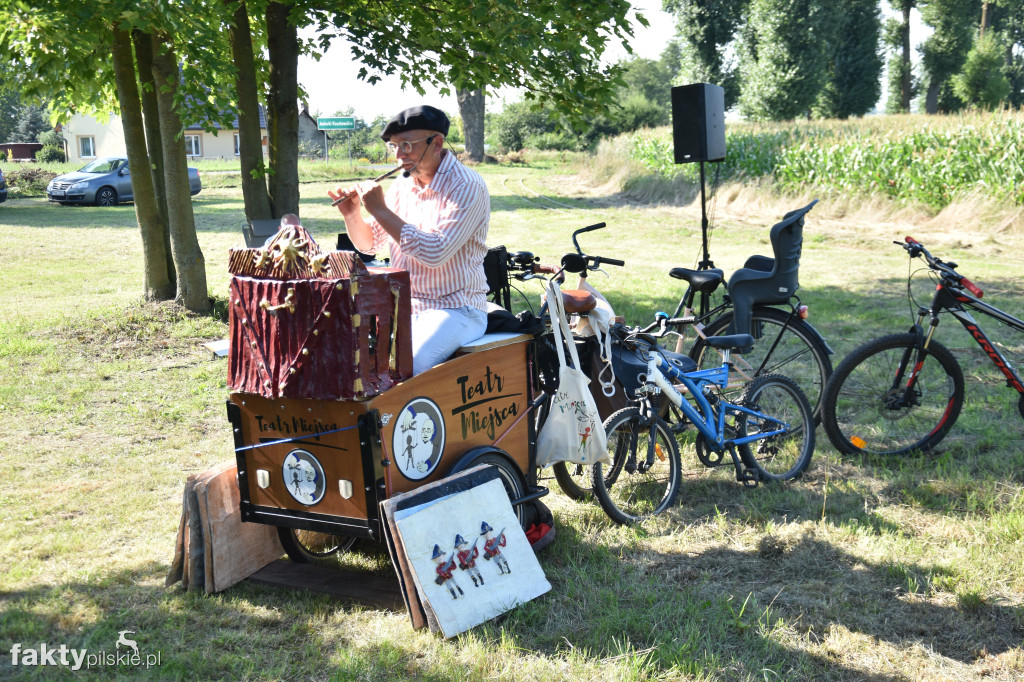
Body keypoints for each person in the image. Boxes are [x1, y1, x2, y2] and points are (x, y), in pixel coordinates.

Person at [329, 105, 489, 376]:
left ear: (436, 143)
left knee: (408, 367)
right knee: (351, 357)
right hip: (406, 306)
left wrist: (379, 209)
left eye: (406, 145)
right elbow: (371, 244)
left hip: (457, 307)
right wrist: (353, 214)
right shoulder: (404, 185)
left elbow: (435, 252)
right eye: (394, 146)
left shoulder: (467, 185)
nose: (399, 155)